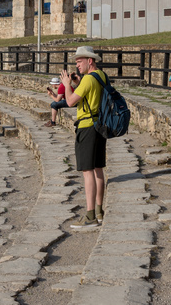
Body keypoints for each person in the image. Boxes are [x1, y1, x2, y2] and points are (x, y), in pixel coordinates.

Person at [58, 46, 111, 229]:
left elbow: (71, 101)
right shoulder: (101, 75)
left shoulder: (88, 79)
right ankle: (99, 212)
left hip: (87, 127)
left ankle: (89, 217)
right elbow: (88, 96)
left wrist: (66, 85)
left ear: (90, 61)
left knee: (87, 171)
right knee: (98, 169)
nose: (77, 66)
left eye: (79, 62)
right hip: (99, 126)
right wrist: (75, 84)